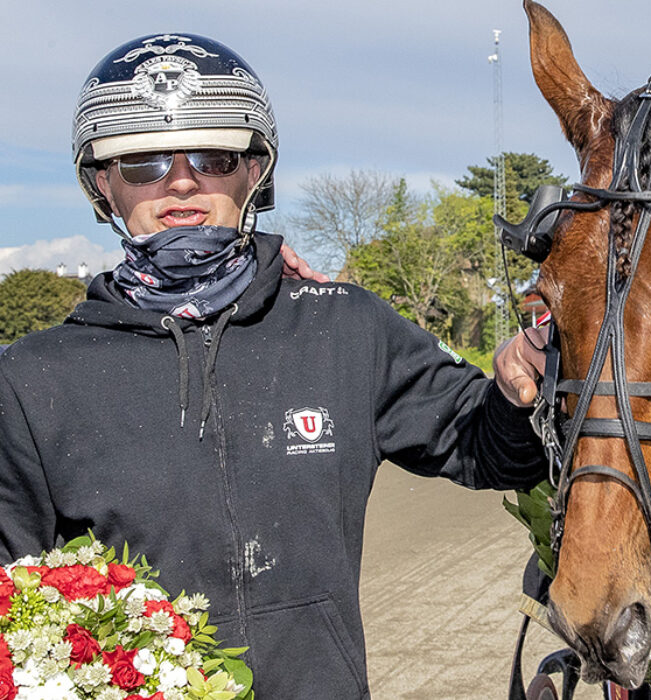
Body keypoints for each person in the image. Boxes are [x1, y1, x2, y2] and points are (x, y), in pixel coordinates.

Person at [0, 33, 547, 697]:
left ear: (254, 170)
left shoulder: (344, 328)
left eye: (214, 156)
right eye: (142, 162)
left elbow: (490, 453)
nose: (181, 180)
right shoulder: (31, 379)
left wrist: (519, 387)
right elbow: (12, 600)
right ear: (101, 184)